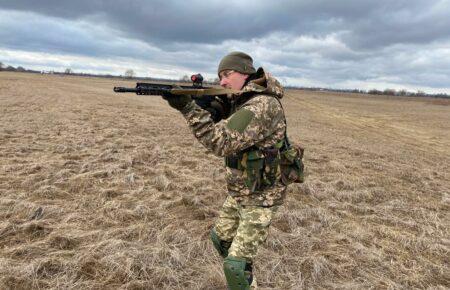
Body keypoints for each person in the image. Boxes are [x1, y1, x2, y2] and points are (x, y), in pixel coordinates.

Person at [163, 51, 287, 290]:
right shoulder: (244, 99)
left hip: (260, 195)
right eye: (220, 76)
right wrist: (207, 106)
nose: (222, 82)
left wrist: (189, 109)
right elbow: (224, 109)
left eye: (227, 74)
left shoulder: (262, 105)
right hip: (241, 190)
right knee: (221, 239)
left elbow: (222, 142)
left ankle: (243, 279)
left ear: (245, 73)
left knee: (235, 268)